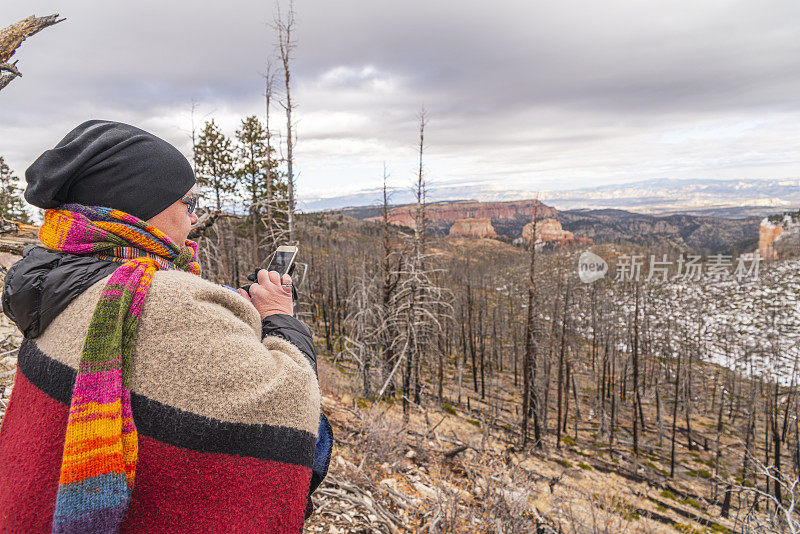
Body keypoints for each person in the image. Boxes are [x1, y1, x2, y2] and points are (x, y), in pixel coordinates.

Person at [0, 120, 331, 533]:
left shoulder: (57, 277)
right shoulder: (169, 303)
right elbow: (300, 426)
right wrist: (280, 320)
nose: (193, 220)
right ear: (143, 204)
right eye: (187, 204)